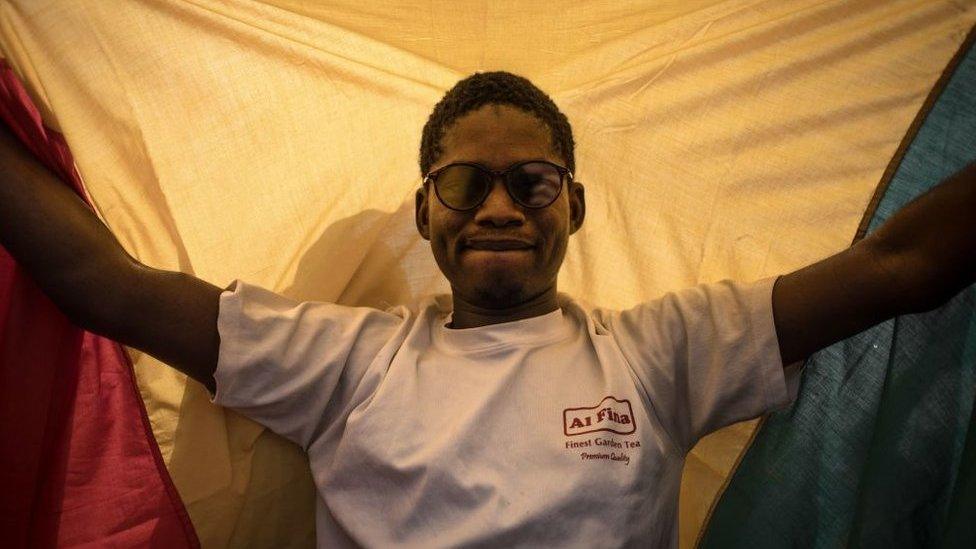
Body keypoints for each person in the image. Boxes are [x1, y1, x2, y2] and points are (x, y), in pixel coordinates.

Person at [0, 71, 973, 548]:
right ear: (426, 210)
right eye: (465, 184)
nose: (499, 208)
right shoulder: (338, 361)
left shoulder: (665, 351)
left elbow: (899, 265)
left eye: (533, 182)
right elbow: (103, 284)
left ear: (575, 206)